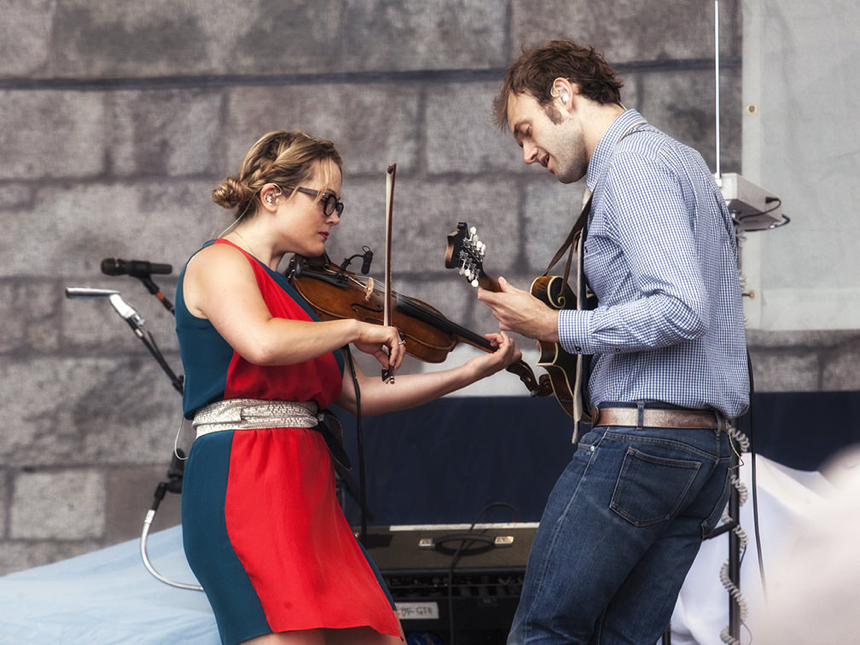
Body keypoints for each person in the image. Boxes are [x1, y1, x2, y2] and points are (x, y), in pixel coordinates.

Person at [175, 129, 521, 645]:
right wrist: (356, 328)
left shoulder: (303, 294)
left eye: (340, 204)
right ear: (272, 196)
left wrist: (468, 373)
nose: (336, 216)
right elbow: (261, 344)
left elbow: (356, 395)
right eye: (326, 201)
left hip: (306, 489)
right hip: (244, 481)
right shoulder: (219, 262)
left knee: (382, 637)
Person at [477, 40, 750, 644]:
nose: (526, 153)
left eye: (527, 130)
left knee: (544, 632)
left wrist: (554, 327)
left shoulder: (630, 163)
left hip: (643, 444)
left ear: (564, 95)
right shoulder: (676, 158)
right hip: (698, 453)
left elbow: (681, 308)